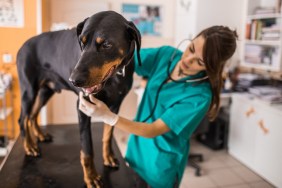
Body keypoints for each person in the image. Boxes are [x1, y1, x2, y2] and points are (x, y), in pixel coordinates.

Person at [79, 25, 238, 188]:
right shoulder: (166, 55)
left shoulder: (199, 96)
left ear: (212, 67)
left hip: (160, 166)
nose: (187, 60)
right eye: (191, 49)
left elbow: (153, 129)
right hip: (136, 152)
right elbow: (129, 58)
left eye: (199, 61)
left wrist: (108, 116)